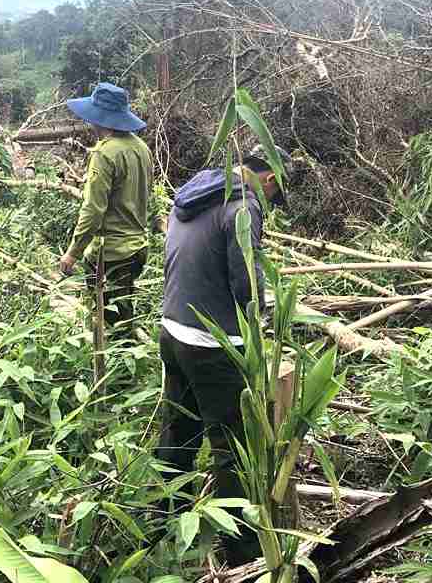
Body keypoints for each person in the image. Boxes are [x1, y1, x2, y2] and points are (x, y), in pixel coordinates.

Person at [157, 144, 290, 566]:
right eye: (274, 195)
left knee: (180, 431)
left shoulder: (197, 192)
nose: (269, 203)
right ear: (268, 180)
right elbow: (246, 285)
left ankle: (162, 520)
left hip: (173, 329)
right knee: (232, 447)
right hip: (212, 346)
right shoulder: (243, 207)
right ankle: (242, 553)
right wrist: (266, 325)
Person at [57, 82, 153, 340]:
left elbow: (93, 209)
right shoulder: (141, 148)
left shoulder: (105, 153)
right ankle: (129, 372)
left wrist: (72, 254)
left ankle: (115, 377)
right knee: (124, 317)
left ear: (99, 118)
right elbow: (147, 198)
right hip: (137, 249)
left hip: (110, 254)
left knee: (106, 326)